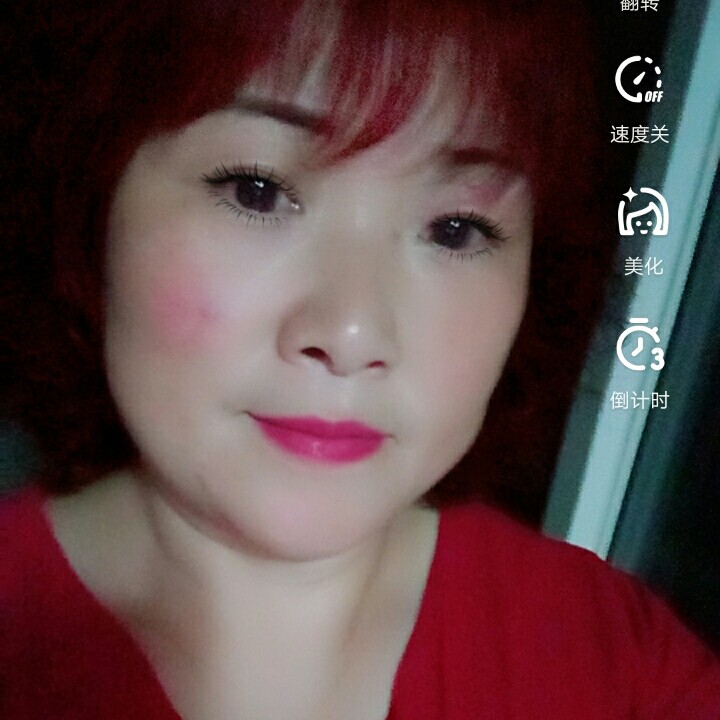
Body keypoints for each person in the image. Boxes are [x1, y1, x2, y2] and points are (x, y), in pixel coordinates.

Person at [2, 1, 719, 718]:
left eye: (455, 229)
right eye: (258, 191)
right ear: (95, 199)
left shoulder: (620, 661)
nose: (352, 333)